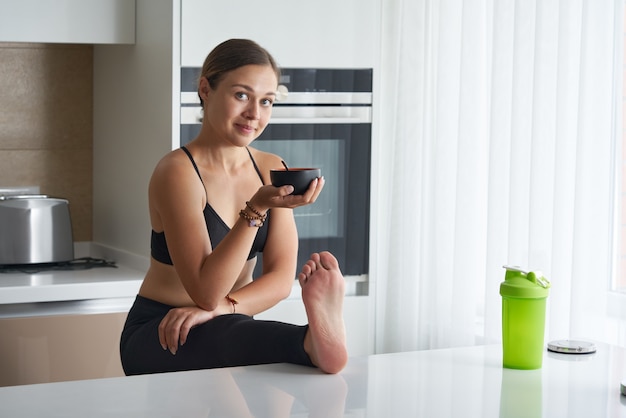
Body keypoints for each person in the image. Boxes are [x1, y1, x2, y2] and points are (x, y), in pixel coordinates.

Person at [120, 39, 348, 375]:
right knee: (228, 334)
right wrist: (256, 208)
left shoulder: (270, 167)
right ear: (206, 90)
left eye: (266, 101)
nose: (254, 114)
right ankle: (307, 343)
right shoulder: (178, 173)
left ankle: (312, 343)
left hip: (229, 320)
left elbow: (281, 279)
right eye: (241, 95)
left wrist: (222, 310)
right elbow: (206, 292)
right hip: (162, 329)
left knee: (233, 333)